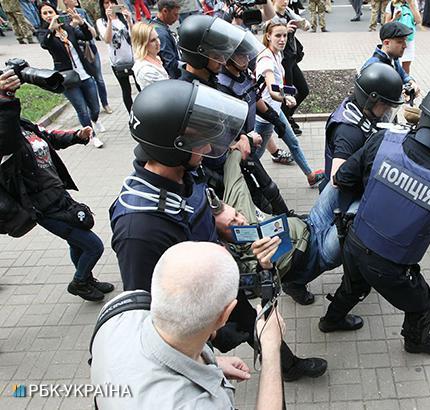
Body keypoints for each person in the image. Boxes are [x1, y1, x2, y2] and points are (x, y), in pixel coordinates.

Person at [109, 79, 328, 382]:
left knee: (252, 320)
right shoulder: (141, 228)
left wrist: (218, 217)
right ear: (175, 147)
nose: (210, 147)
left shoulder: (182, 171)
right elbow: (152, 317)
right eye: (200, 141)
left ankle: (286, 366)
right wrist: (203, 360)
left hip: (216, 278)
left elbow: (194, 206)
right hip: (194, 307)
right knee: (244, 325)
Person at [318, 80, 430, 355]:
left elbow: (342, 178)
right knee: (423, 306)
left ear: (425, 112)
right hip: (391, 265)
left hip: (355, 242)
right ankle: (416, 343)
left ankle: (330, 320)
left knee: (354, 286)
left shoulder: (383, 140)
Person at [91, 241, 285, 409]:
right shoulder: (195, 405)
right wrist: (270, 350)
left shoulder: (121, 310)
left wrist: (207, 363)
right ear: (224, 316)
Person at [0, 70, 113, 302]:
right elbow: (7, 135)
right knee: (94, 246)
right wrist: (6, 99)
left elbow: (47, 137)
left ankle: (87, 279)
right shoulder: (4, 140)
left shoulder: (22, 125)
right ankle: (79, 282)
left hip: (59, 195)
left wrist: (77, 136)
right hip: (41, 207)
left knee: (78, 240)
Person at [213, 149, 357, 305]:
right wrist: (264, 267)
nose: (240, 220)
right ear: (222, 238)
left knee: (342, 177)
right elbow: (261, 291)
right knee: (359, 211)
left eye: (235, 214)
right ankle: (294, 284)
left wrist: (241, 145)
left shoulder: (235, 207)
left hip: (311, 222)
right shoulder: (238, 264)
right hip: (318, 254)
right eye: (231, 224)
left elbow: (232, 171)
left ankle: (293, 285)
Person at [177, 15, 290, 215]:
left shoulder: (209, 82)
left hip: (234, 158)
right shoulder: (189, 94)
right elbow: (201, 144)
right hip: (215, 171)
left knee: (265, 194)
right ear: (199, 55)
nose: (223, 59)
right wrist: (237, 142)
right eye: (217, 54)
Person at [254, 21, 325, 188]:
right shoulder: (266, 59)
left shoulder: (277, 54)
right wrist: (284, 98)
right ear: (268, 36)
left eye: (284, 35)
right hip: (266, 115)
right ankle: (244, 179)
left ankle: (310, 176)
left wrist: (287, 91)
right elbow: (272, 88)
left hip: (274, 111)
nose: (282, 39)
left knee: (292, 142)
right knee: (254, 156)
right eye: (278, 35)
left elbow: (275, 85)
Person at [324, 62, 404, 184]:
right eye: (385, 104)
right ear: (370, 99)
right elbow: (336, 180)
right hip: (345, 199)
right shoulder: (349, 132)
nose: (388, 110)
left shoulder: (357, 108)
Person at [37, 3, 105, 147]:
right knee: (82, 110)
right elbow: (45, 44)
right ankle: (92, 136)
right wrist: (51, 29)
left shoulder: (68, 28)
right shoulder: (44, 33)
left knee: (95, 107)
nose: (49, 15)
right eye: (45, 13)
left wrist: (81, 23)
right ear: (42, 17)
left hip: (84, 74)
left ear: (56, 12)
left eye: (50, 12)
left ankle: (96, 119)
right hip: (67, 78)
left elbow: (86, 36)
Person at [60, 0, 113, 115]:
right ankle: (92, 107)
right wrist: (72, 25)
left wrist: (81, 21)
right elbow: (63, 36)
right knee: (86, 80)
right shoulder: (61, 17)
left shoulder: (81, 12)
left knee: (99, 78)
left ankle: (105, 103)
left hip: (90, 49)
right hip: (77, 53)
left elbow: (93, 34)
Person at [269, 0, 311, 135]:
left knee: (303, 90)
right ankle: (283, 123)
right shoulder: (272, 16)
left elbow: (305, 24)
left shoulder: (288, 12)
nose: (285, 1)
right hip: (281, 61)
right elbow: (265, 30)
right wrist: (284, 30)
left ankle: (287, 117)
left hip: (292, 59)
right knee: (287, 93)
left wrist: (304, 24)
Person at [97, 0, 142, 113]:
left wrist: (129, 21)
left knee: (140, 86)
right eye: (106, 3)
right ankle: (132, 114)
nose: (110, 5)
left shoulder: (123, 18)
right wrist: (109, 21)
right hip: (118, 62)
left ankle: (144, 111)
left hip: (133, 58)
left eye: (112, 2)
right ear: (102, 6)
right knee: (126, 90)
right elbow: (107, 39)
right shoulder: (101, 21)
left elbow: (134, 38)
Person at [362, 21, 420, 96]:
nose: (405, 46)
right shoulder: (373, 67)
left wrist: (411, 83)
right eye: (400, 42)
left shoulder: (393, 58)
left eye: (405, 41)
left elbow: (403, 75)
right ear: (387, 43)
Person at [384, 0, 421, 73]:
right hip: (395, 40)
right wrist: (395, 18)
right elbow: (386, 25)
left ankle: (405, 82)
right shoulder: (392, 4)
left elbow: (418, 21)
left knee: (406, 65)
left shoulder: (413, 3)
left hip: (408, 39)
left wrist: (411, 5)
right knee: (392, 64)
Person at [132, 21, 169, 88]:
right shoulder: (146, 70)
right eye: (152, 40)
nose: (158, 42)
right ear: (142, 44)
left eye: (157, 37)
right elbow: (164, 90)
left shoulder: (155, 58)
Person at [151, 0, 181, 79]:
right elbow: (170, 63)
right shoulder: (161, 34)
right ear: (165, 11)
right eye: (175, 14)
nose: (177, 18)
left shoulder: (153, 23)